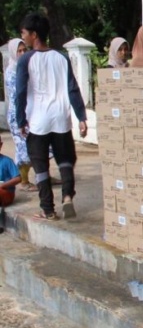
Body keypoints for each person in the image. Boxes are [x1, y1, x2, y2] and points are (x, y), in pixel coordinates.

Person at [15, 12, 88, 220]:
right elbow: (73, 89)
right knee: (65, 159)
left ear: (34, 35)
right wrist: (81, 117)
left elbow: (20, 93)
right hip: (60, 117)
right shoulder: (62, 58)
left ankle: (48, 209)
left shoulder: (26, 60)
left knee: (40, 164)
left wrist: (21, 120)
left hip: (37, 119)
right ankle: (67, 196)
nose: (23, 37)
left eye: (24, 33)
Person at [4, 38, 36, 192]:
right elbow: (18, 95)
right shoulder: (12, 71)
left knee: (41, 145)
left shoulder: (27, 67)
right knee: (24, 148)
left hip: (30, 111)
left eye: (24, 50)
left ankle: (44, 176)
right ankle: (23, 181)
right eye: (19, 51)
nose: (23, 53)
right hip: (18, 114)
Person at [0, 137, 21, 206]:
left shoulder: (7, 161)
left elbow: (18, 178)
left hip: (5, 191)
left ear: (1, 145)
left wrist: (3, 185)